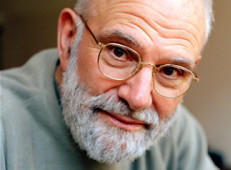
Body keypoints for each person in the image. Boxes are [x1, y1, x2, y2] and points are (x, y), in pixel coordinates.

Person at [0, 0, 218, 169]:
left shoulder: (180, 138)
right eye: (119, 52)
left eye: (170, 71)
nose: (138, 98)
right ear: (69, 40)